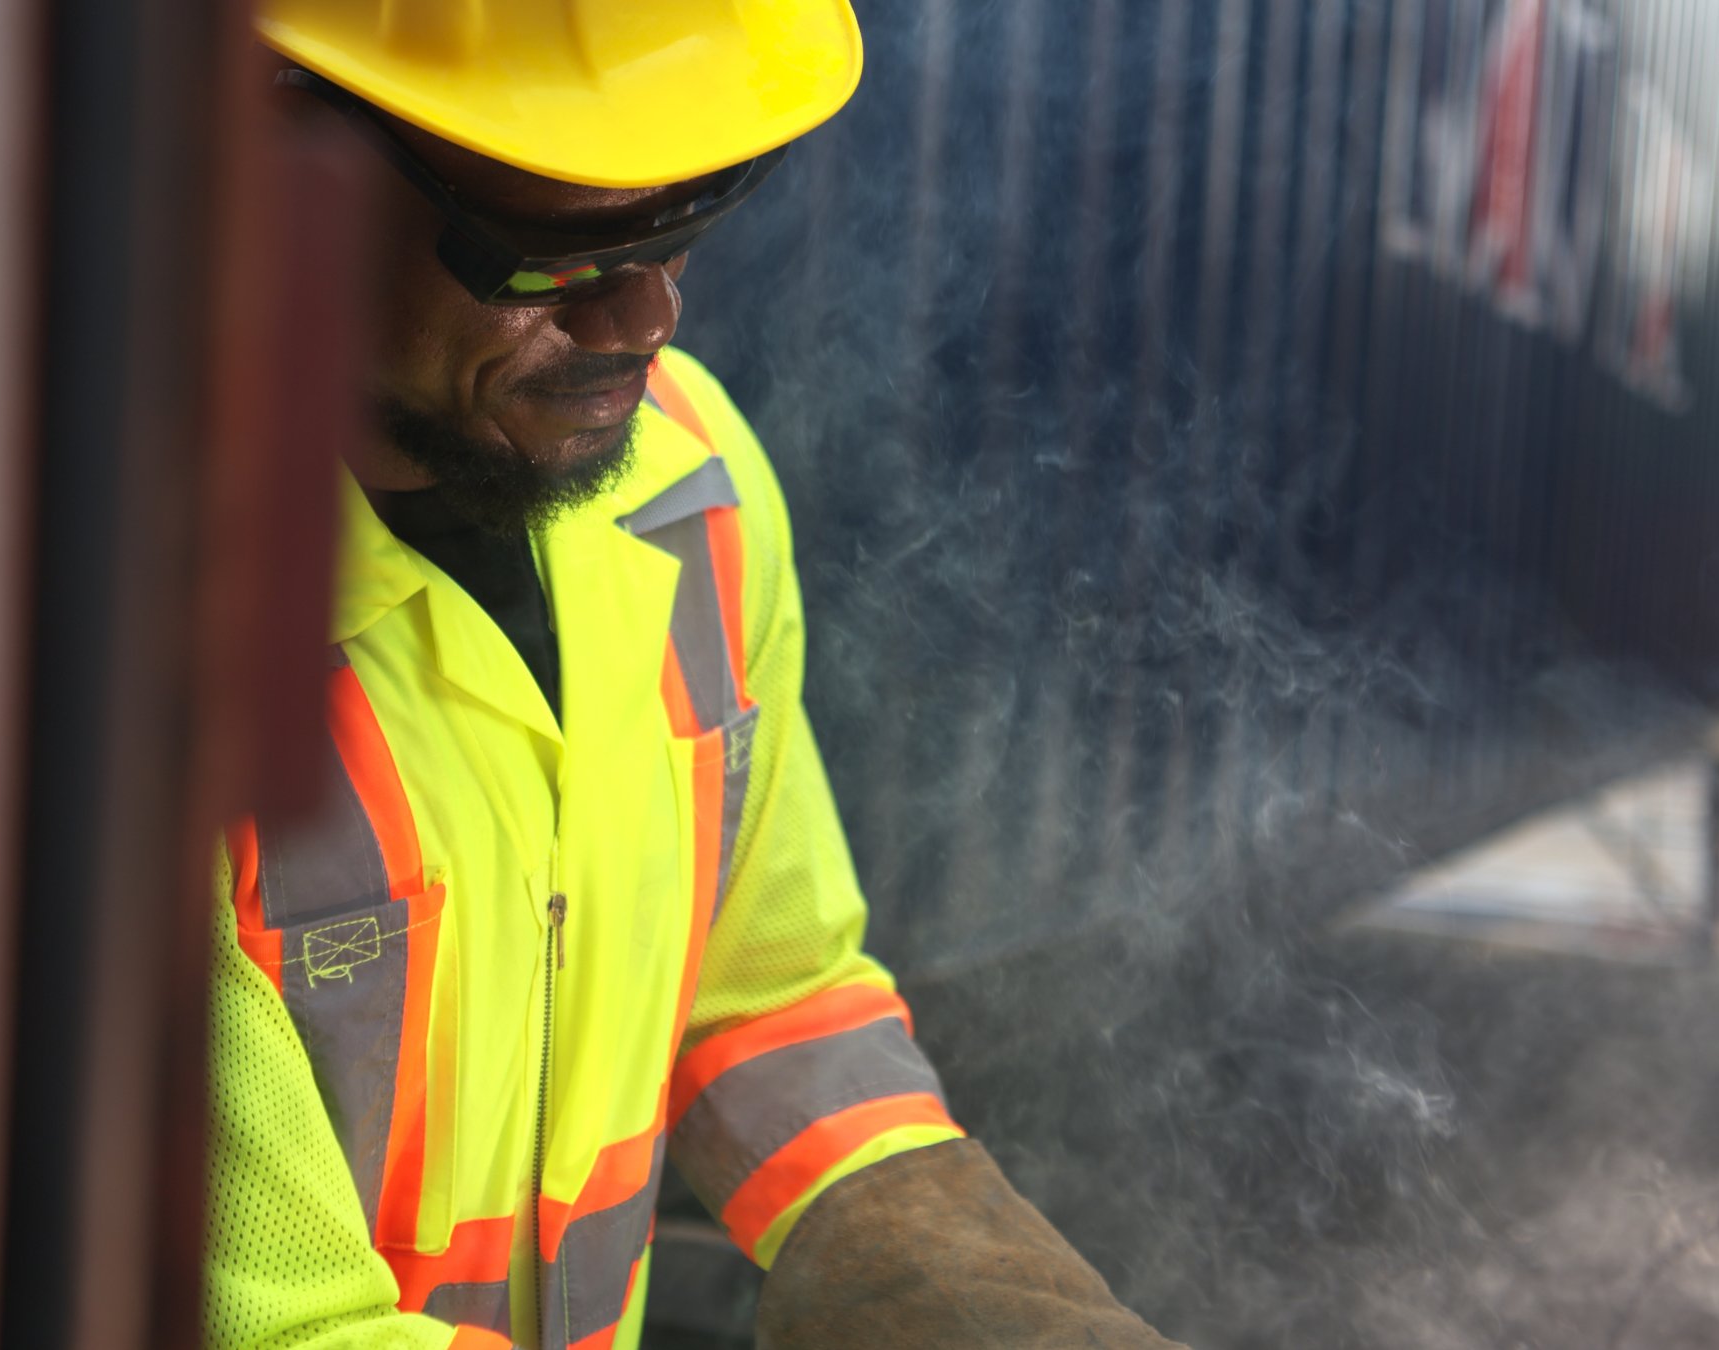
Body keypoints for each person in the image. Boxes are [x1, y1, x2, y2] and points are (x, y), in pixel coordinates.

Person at [206, 3, 1187, 1348]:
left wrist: (951, 1273)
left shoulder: (685, 489)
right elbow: (268, 1326)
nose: (649, 314)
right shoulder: (118, 648)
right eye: (559, 257)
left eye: (681, 225)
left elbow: (768, 993)